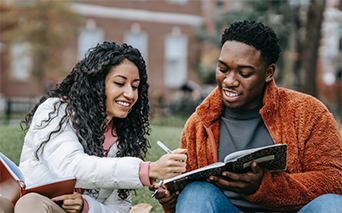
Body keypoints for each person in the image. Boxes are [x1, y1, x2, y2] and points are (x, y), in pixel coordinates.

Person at [151, 20, 342, 213]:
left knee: (333, 206)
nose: (229, 81)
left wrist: (265, 187)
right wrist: (170, 198)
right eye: (222, 69)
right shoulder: (199, 124)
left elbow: (334, 181)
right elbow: (187, 204)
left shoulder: (308, 112)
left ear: (268, 73)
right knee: (195, 192)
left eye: (244, 73)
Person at [1, 41, 187, 213]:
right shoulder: (55, 112)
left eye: (135, 86)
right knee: (21, 202)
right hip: (30, 205)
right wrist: (147, 170)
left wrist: (86, 206)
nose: (130, 94)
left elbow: (120, 209)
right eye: (119, 83)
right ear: (96, 84)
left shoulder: (124, 137)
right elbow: (71, 166)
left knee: (30, 203)